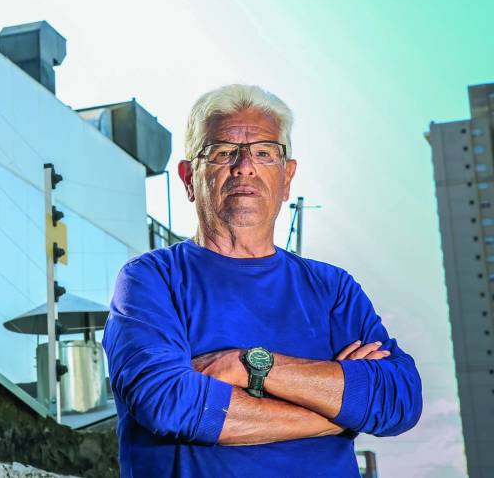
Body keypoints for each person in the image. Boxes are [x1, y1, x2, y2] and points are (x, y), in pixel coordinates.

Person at [103, 84, 422, 476]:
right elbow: (169, 402)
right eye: (222, 152)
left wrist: (251, 366)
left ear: (287, 178)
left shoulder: (332, 289)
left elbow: (399, 397)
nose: (245, 166)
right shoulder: (150, 281)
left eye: (265, 152)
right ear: (188, 179)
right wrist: (334, 412)